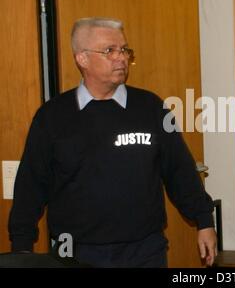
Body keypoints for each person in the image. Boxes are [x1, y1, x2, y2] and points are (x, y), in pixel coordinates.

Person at [8, 17, 217, 268]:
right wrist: (22, 249)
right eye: (110, 51)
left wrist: (204, 221)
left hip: (144, 252)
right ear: (81, 58)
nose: (121, 58)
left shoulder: (150, 108)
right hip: (74, 255)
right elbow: (30, 187)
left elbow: (179, 170)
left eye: (124, 50)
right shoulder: (52, 117)